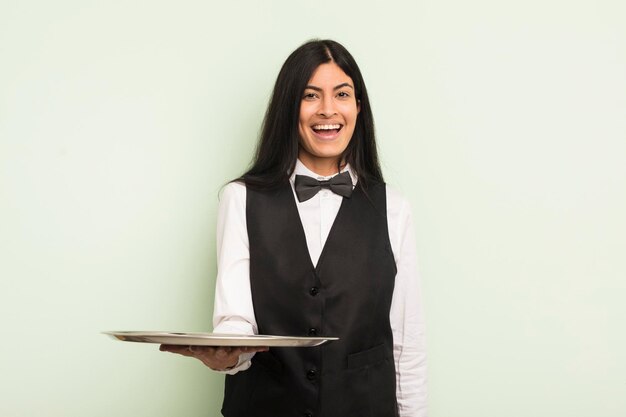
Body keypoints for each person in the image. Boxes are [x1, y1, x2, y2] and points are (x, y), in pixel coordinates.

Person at [160, 39, 427, 417]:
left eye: (342, 94)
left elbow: (407, 343)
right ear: (290, 108)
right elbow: (236, 319)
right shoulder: (240, 199)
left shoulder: (394, 209)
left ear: (358, 107)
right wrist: (227, 356)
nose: (328, 110)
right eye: (310, 95)